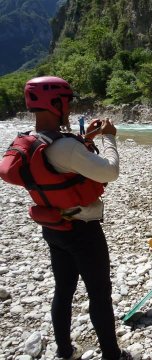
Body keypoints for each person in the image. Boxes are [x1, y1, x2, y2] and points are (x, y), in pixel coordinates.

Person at [0, 76, 132, 360]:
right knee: (99, 294)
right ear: (55, 103)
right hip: (83, 232)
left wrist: (88, 140)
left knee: (64, 290)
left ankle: (64, 350)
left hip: (53, 227)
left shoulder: (32, 141)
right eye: (68, 102)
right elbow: (109, 172)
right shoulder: (66, 147)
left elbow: (61, 161)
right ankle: (111, 353)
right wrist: (109, 137)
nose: (70, 108)